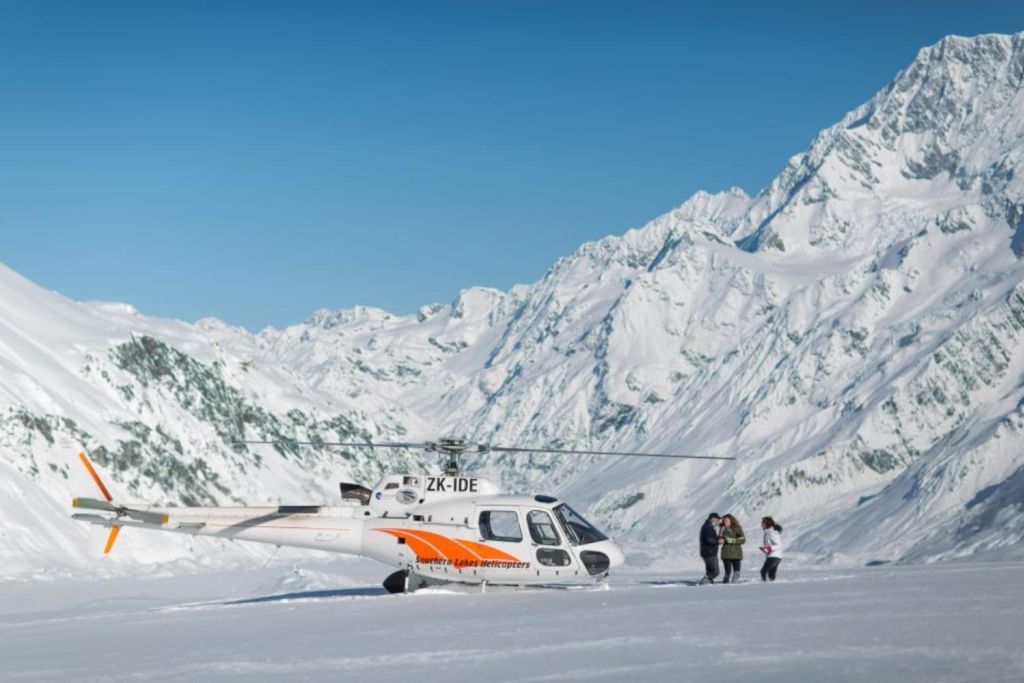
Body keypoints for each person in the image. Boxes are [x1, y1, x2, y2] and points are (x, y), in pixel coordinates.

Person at [719, 514, 745, 583]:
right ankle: (726, 580)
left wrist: (733, 540)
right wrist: (721, 535)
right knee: (727, 571)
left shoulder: (737, 528)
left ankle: (734, 583)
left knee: (736, 571)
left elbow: (743, 540)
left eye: (726, 520)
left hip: (736, 552)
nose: (725, 522)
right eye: (724, 520)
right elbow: (719, 540)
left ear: (731, 520)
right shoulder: (722, 528)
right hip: (726, 552)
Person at [698, 513, 721, 585]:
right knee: (715, 572)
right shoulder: (708, 527)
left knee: (710, 570)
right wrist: (718, 541)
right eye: (717, 519)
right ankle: (705, 581)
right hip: (709, 552)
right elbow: (709, 539)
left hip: (707, 552)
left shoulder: (708, 526)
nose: (718, 521)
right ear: (712, 519)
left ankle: (708, 582)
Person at [759, 516, 783, 582]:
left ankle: (764, 586)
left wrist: (769, 549)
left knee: (763, 572)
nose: (761, 525)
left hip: (773, 556)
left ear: (767, 524)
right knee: (771, 576)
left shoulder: (771, 532)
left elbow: (778, 545)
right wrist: (765, 549)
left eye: (763, 523)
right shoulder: (768, 532)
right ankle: (771, 588)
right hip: (775, 556)